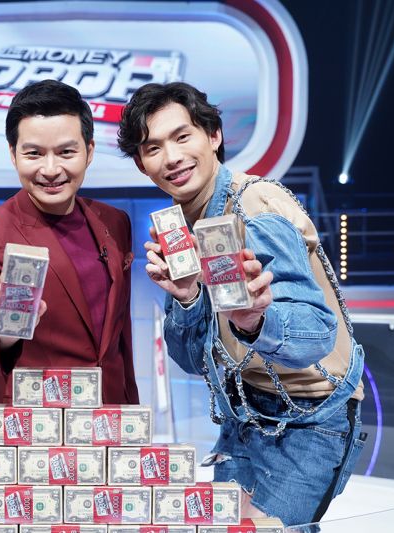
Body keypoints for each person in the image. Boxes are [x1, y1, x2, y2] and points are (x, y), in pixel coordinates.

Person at [117, 82, 365, 529]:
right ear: (141, 163)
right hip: (243, 415)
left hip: (307, 421)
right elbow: (192, 361)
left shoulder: (253, 206)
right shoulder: (185, 223)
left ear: (213, 135)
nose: (171, 157)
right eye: (153, 148)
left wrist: (256, 320)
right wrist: (189, 297)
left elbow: (314, 334)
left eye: (182, 137)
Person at [0, 79, 138, 405]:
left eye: (66, 152)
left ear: (90, 151)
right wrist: (2, 325)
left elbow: (119, 338)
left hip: (112, 417)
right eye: (34, 154)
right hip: (37, 423)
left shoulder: (114, 222)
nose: (51, 169)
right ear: (13, 155)